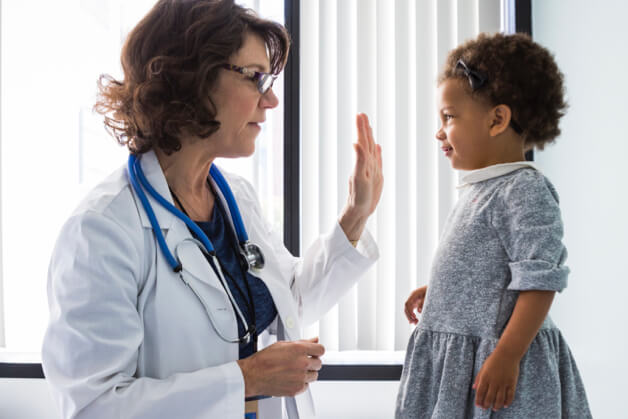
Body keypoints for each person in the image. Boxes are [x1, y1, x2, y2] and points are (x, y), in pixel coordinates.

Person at [41, 1, 383, 418]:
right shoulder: (102, 229)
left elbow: (289, 302)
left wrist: (355, 215)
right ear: (191, 79)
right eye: (256, 77)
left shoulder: (235, 197)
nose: (272, 99)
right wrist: (247, 380)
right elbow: (92, 407)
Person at [396, 33, 591, 418]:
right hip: (465, 358)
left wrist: (507, 355)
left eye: (449, 117)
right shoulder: (481, 188)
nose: (439, 131)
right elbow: (489, 267)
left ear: (497, 119)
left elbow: (539, 281)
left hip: (496, 364)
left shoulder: (524, 189)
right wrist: (443, 290)